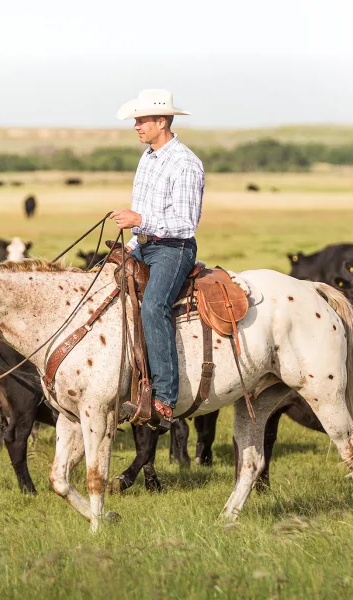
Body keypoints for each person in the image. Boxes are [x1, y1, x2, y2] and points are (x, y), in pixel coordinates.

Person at [110, 89, 205, 425]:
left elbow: (184, 223)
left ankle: (164, 398)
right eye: (136, 120)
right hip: (145, 244)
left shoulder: (185, 164)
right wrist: (135, 237)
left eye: (142, 120)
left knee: (153, 305)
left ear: (161, 121)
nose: (136, 126)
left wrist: (140, 221)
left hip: (173, 249)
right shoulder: (148, 157)